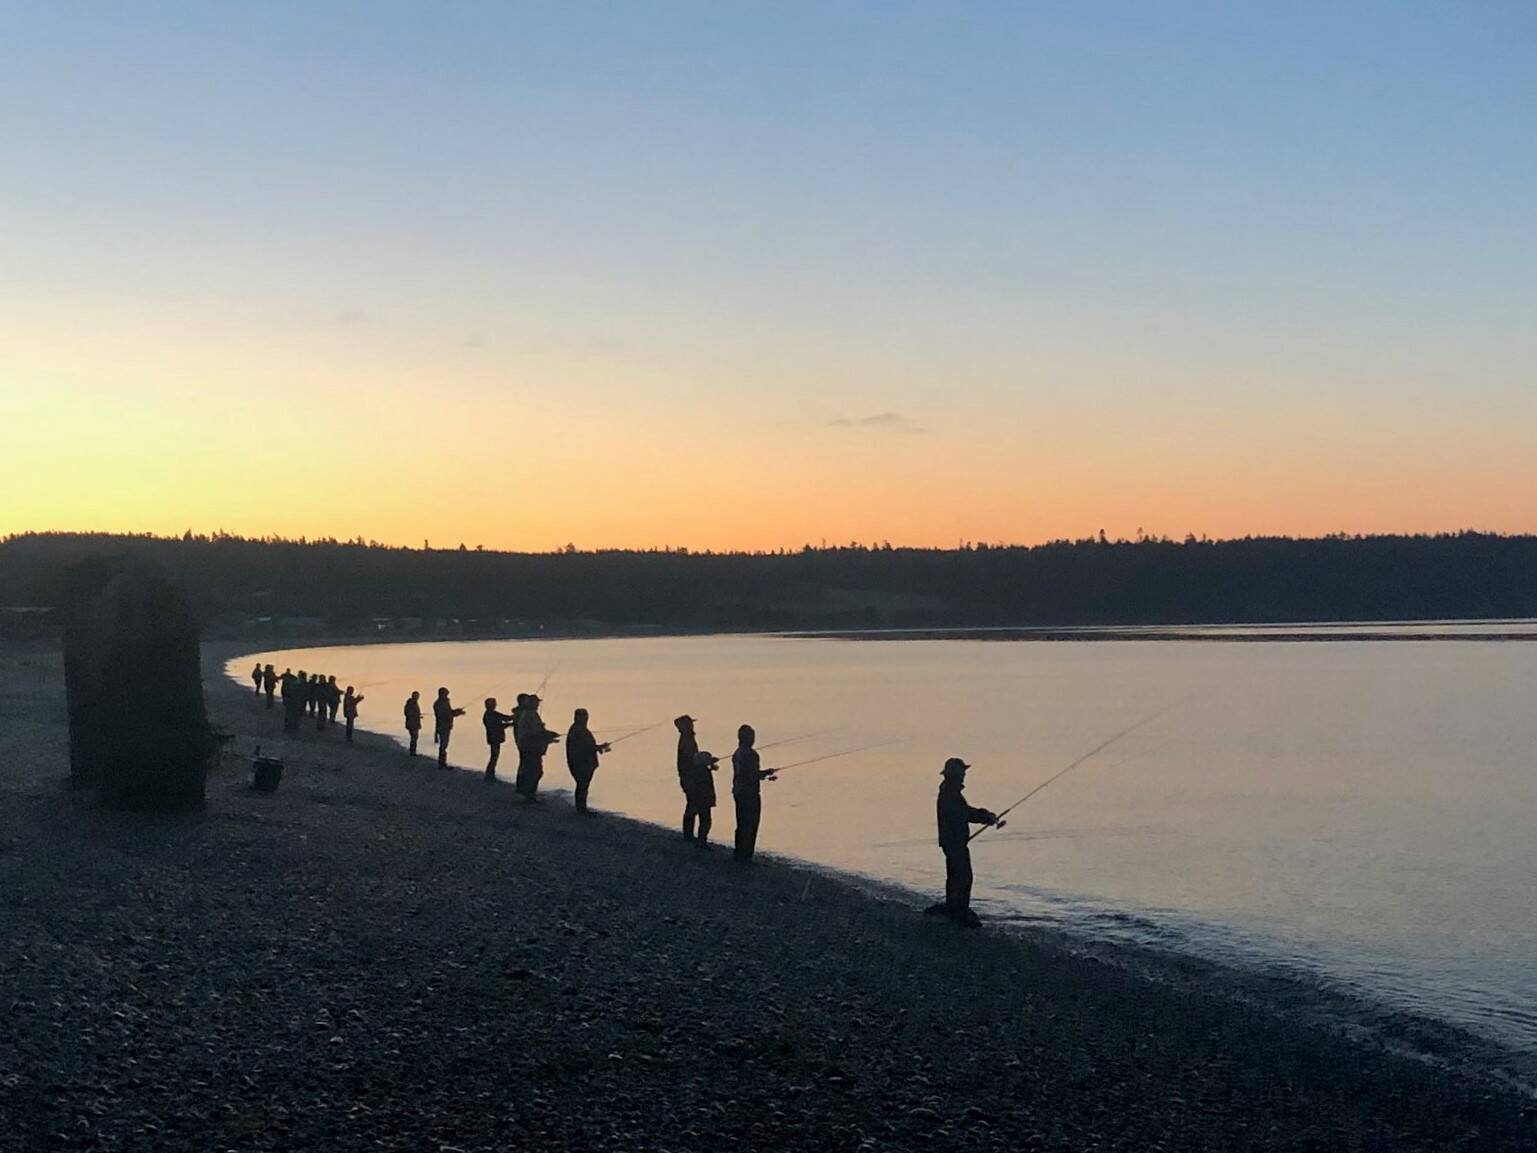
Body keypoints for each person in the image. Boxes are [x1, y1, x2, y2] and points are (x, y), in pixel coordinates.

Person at [931, 758, 998, 928]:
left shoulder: (948, 791)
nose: (964, 776)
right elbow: (964, 813)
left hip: (951, 840)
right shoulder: (950, 793)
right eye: (962, 773)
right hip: (954, 841)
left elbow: (963, 813)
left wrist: (984, 816)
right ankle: (958, 912)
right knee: (963, 877)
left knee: (956, 876)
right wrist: (985, 816)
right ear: (956, 774)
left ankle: (955, 909)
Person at [730, 724, 776, 863]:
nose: (753, 739)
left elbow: (745, 773)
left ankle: (739, 853)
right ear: (747, 738)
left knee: (742, 823)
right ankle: (746, 856)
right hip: (749, 793)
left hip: (738, 791)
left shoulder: (737, 752)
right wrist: (766, 773)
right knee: (750, 824)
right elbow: (751, 774)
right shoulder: (751, 754)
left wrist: (764, 775)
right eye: (752, 736)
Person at [513, 693, 560, 799]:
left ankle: (527, 792)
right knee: (535, 771)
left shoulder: (528, 714)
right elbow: (536, 733)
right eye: (536, 702)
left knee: (529, 769)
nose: (538, 704)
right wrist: (549, 735)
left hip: (527, 746)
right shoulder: (530, 715)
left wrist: (549, 736)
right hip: (530, 748)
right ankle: (530, 795)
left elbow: (537, 732)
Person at [564, 708, 610, 814]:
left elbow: (587, 746)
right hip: (580, 763)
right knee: (582, 785)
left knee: (583, 785)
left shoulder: (578, 729)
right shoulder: (579, 730)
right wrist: (600, 747)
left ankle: (581, 808)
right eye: (583, 716)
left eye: (586, 716)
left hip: (580, 762)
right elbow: (585, 747)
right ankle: (581, 810)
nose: (585, 718)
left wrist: (599, 747)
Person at [682, 749, 718, 848]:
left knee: (692, 815)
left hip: (696, 798)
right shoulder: (704, 771)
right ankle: (701, 840)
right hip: (703, 799)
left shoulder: (696, 770)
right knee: (705, 821)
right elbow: (705, 785)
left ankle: (689, 836)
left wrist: (711, 765)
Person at [675, 715, 701, 840]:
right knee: (692, 803)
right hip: (689, 777)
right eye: (690, 724)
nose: (692, 726)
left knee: (692, 803)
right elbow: (691, 760)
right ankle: (688, 834)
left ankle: (688, 833)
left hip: (687, 776)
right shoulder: (687, 740)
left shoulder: (686, 739)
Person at [482, 697, 515, 781]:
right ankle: (489, 775)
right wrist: (515, 718)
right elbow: (506, 719)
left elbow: (505, 720)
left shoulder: (488, 714)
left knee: (494, 756)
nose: (495, 705)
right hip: (494, 738)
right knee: (494, 756)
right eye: (494, 703)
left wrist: (510, 723)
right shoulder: (492, 714)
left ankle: (490, 774)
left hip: (492, 737)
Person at [433, 688, 465, 769]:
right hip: (443, 726)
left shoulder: (439, 703)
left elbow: (449, 713)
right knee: (444, 745)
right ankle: (442, 764)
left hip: (443, 726)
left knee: (444, 745)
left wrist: (457, 711)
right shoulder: (441, 703)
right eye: (446, 694)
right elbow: (447, 714)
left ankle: (442, 763)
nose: (447, 696)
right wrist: (458, 712)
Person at [281, 669, 303, 733]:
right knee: (293, 716)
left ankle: (290, 727)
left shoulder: (293, 681)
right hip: (293, 702)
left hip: (292, 702)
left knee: (291, 715)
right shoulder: (296, 682)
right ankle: (292, 728)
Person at [403, 691, 423, 756]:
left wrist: (418, 715)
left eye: (418, 696)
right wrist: (416, 715)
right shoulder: (410, 703)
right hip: (412, 723)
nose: (418, 697)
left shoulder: (414, 703)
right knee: (414, 737)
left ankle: (413, 750)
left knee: (414, 737)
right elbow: (407, 713)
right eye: (417, 696)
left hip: (414, 723)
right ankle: (412, 751)